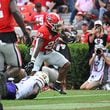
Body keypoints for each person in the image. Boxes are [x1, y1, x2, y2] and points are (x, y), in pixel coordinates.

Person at [27, 12, 71, 94]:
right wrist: (32, 60)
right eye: (57, 25)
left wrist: (69, 38)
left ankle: (57, 85)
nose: (59, 26)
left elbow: (64, 37)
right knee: (34, 72)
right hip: (38, 53)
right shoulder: (43, 30)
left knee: (67, 64)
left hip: (49, 52)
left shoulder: (56, 29)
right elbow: (38, 46)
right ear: (50, 24)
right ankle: (26, 88)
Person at [0, 0, 31, 101]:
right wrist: (25, 32)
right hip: (6, 35)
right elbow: (15, 11)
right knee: (16, 67)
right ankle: (3, 79)